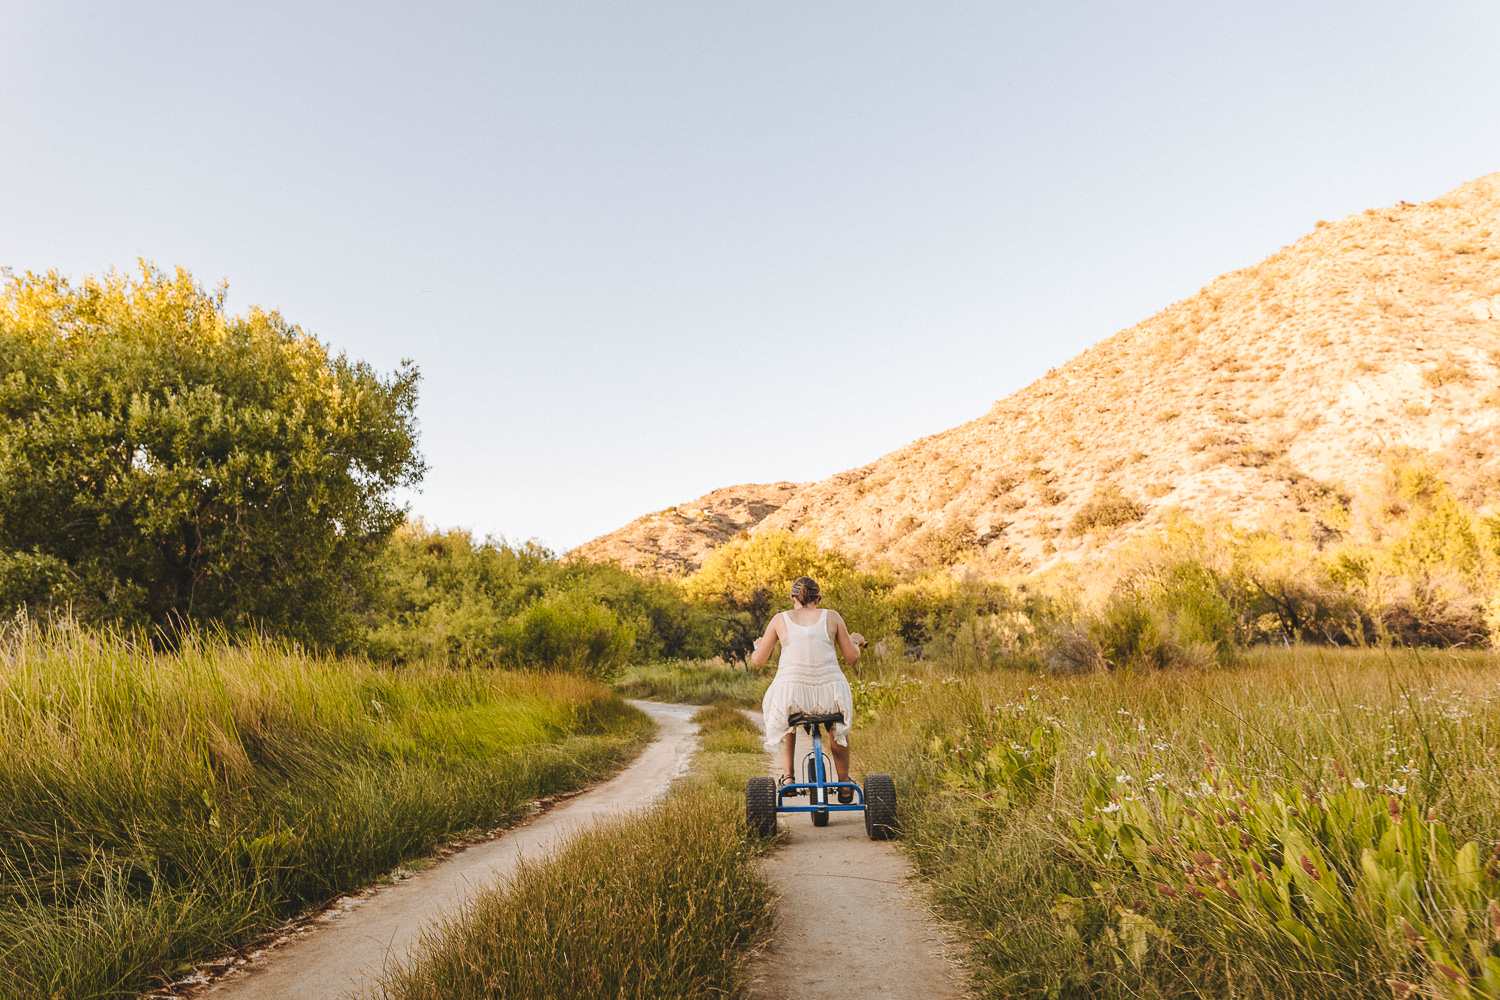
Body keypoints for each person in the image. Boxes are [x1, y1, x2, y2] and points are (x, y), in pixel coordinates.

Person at [748, 575, 865, 802]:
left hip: (793, 695)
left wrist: (757, 647)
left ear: (793, 597)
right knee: (837, 727)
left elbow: (759, 661)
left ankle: (788, 778)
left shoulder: (780, 619)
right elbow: (852, 658)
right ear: (818, 598)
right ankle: (844, 783)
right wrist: (856, 642)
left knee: (787, 717)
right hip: (830, 694)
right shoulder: (832, 617)